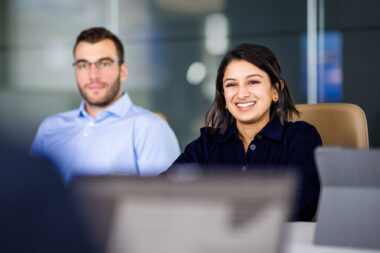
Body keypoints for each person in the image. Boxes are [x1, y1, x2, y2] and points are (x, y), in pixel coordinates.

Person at [169, 43, 322, 221]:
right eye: (231, 84)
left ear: (276, 90)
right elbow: (164, 191)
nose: (241, 94)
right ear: (223, 97)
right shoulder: (207, 143)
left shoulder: (300, 137)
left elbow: (301, 204)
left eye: (253, 82)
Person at [31, 27, 180, 183]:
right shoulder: (50, 127)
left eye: (104, 63)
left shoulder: (149, 128)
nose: (93, 75)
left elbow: (164, 200)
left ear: (123, 71)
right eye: (83, 65)